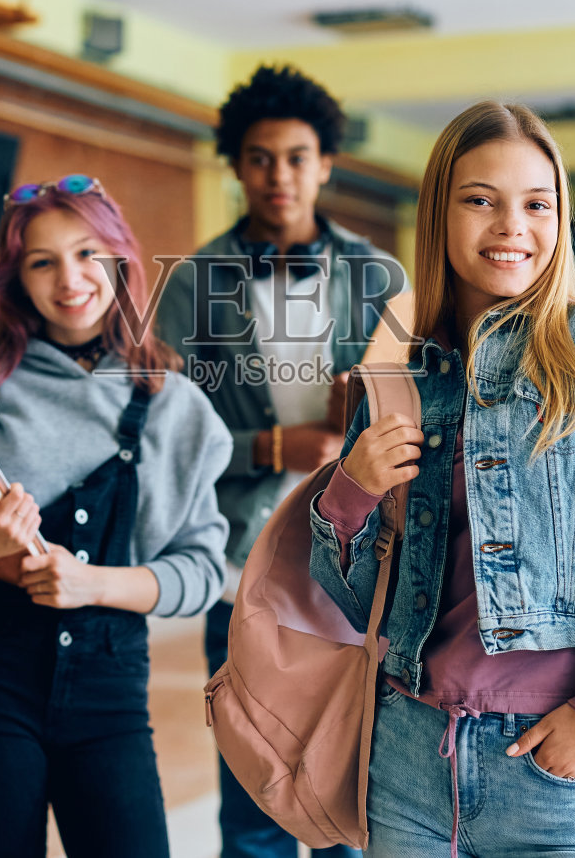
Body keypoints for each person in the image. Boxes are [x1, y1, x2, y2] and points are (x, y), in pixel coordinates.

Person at [310, 102, 575, 857]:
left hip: (560, 769)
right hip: (408, 759)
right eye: (480, 200)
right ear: (439, 213)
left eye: (537, 203)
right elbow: (352, 601)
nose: (511, 226)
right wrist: (350, 494)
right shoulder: (397, 372)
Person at [0, 174, 231, 858]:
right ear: (17, 281)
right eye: (42, 262)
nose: (69, 278)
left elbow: (203, 569)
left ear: (121, 260)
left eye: (86, 253)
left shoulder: (174, 405)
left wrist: (92, 583)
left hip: (109, 700)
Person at [156, 64, 406, 858]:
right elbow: (164, 438)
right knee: (254, 793)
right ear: (235, 165)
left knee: (348, 797)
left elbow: (424, 418)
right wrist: (270, 447)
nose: (279, 176)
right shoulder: (191, 286)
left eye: (297, 156)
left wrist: (362, 412)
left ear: (326, 163)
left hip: (359, 570)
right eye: (260, 158)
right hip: (242, 566)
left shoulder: (381, 277)